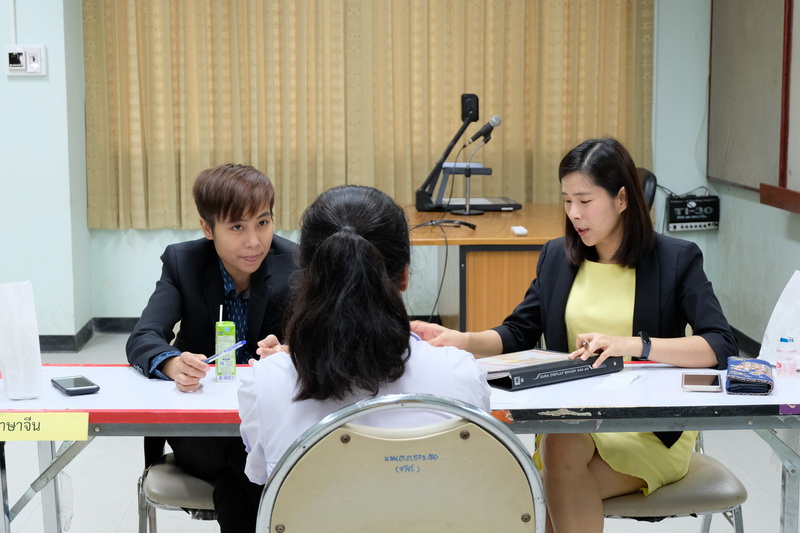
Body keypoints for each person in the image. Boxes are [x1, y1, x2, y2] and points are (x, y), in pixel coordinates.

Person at [411, 137, 739, 533]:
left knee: (545, 486)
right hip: (572, 421)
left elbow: (720, 344)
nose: (574, 214)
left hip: (647, 430)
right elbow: (518, 331)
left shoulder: (675, 259)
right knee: (558, 456)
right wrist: (463, 340)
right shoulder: (557, 257)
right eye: (567, 201)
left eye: (585, 201)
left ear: (622, 199)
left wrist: (634, 345)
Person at [238, 184, 491, 486]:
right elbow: (476, 471)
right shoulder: (461, 374)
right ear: (404, 275)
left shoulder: (265, 383)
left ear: (307, 278)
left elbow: (261, 477)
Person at [126, 163, 297, 532]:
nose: (254, 241)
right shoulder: (183, 262)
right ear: (208, 228)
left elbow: (321, 338)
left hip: (266, 417)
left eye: (263, 223)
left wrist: (290, 352)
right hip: (202, 427)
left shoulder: (295, 263)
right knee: (252, 455)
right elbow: (144, 336)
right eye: (237, 227)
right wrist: (172, 363)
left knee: (235, 485)